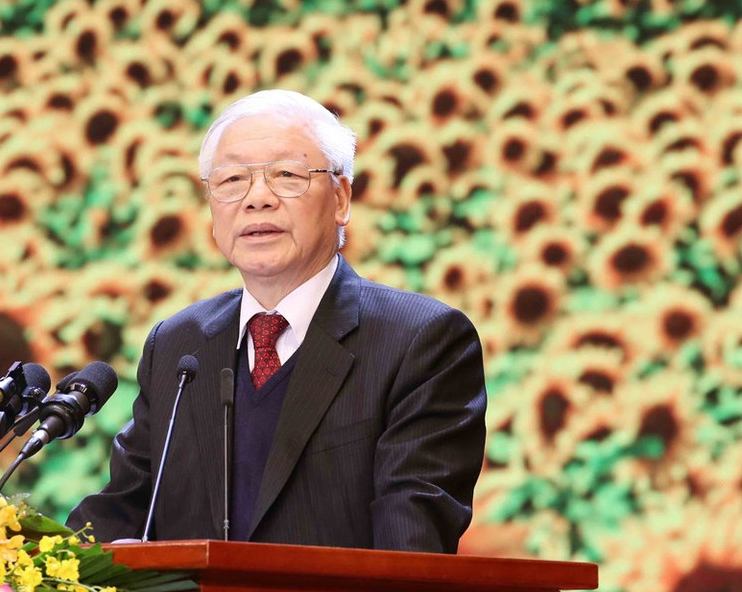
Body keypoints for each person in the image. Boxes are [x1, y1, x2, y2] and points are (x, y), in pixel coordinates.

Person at [67, 89, 486, 552]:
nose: (256, 199)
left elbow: (411, 545)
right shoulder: (179, 345)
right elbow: (120, 512)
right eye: (231, 181)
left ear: (341, 198)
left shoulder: (420, 341)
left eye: (286, 175)